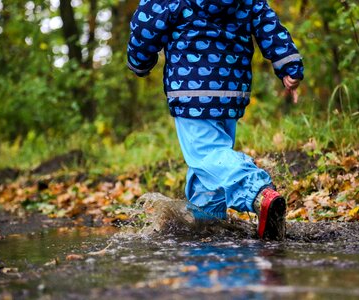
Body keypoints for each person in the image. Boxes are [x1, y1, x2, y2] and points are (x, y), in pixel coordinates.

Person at [127, 0, 304, 240]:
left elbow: (146, 24)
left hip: (190, 92)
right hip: (231, 90)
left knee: (207, 154)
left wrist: (139, 63)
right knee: (210, 165)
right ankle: (207, 227)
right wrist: (288, 65)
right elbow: (267, 23)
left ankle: (257, 191)